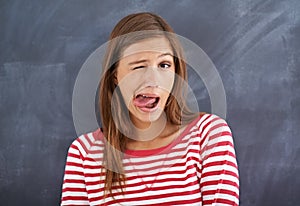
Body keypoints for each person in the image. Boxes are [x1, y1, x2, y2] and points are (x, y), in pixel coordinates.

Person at [61, 12, 239, 205]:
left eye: (164, 65)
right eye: (138, 67)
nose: (153, 80)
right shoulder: (84, 153)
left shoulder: (209, 135)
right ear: (115, 77)